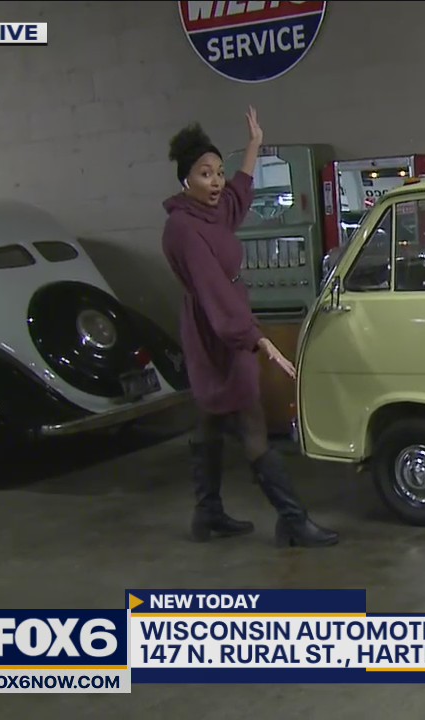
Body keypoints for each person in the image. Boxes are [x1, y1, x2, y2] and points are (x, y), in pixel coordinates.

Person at [160, 107, 338, 548]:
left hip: (223, 325)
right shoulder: (183, 228)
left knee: (208, 417)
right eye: (205, 174)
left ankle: (208, 514)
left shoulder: (211, 212)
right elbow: (213, 291)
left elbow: (239, 195)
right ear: (185, 179)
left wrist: (255, 145)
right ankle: (292, 520)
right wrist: (258, 339)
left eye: (218, 172)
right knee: (250, 420)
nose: (217, 182)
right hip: (217, 330)